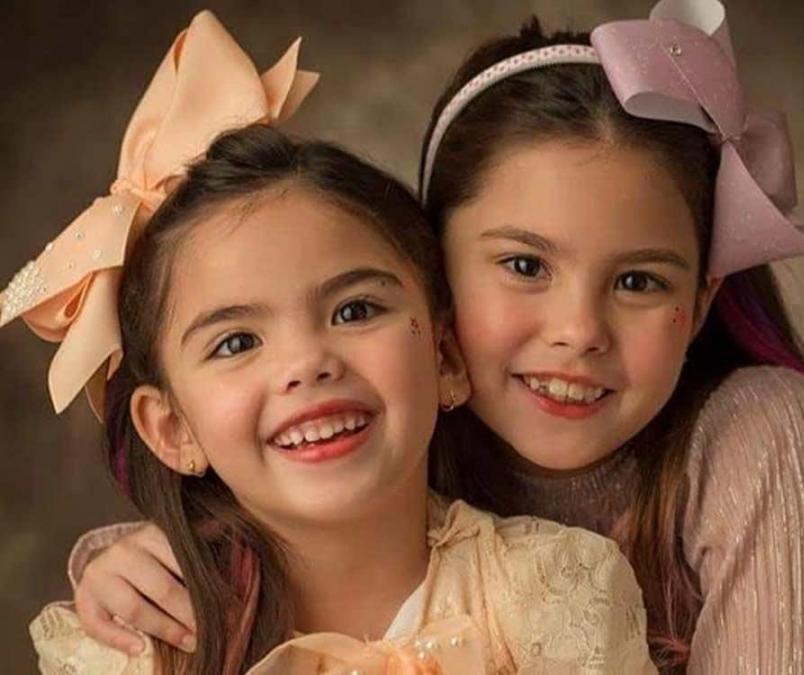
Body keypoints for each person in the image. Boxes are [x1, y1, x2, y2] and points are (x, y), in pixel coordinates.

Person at [64, 0, 804, 671]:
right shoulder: (396, 425)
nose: (578, 332)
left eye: (640, 282)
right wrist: (127, 561)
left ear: (703, 299)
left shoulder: (760, 433)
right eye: (525, 266)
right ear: (432, 273)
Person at [4, 11, 655, 675]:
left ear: (445, 356)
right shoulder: (129, 650)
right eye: (235, 342)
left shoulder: (558, 593)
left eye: (355, 309)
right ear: (172, 430)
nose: (306, 363)